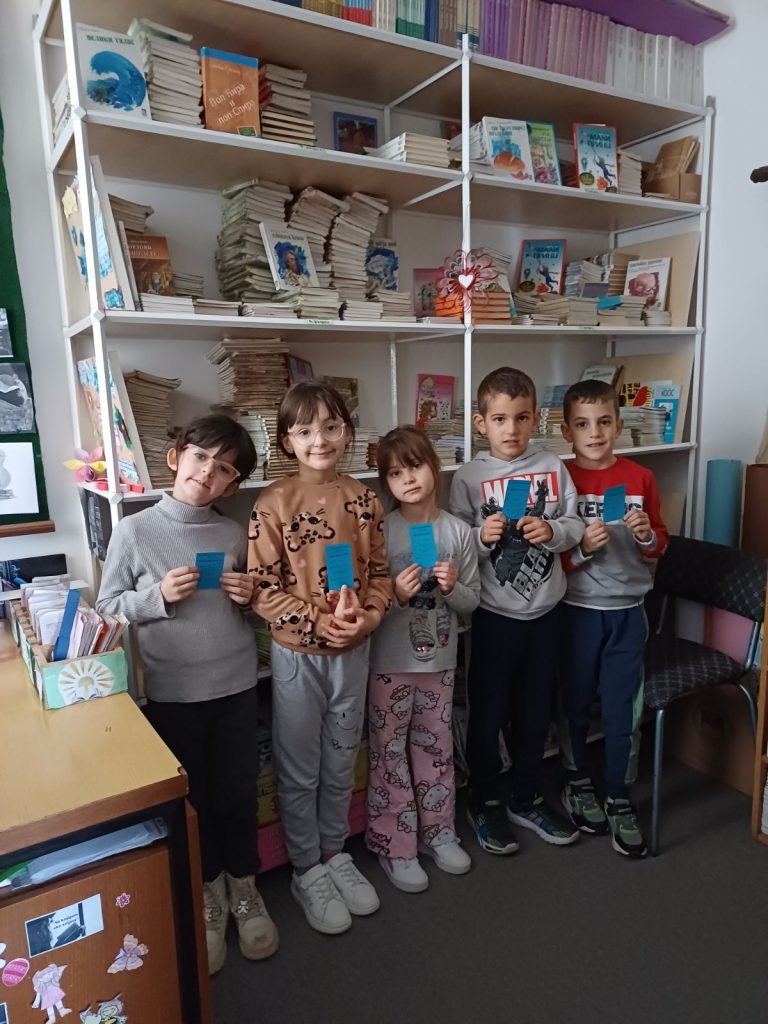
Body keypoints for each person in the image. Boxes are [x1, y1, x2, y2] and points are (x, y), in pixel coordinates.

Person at [96, 414, 277, 975]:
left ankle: (245, 889)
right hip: (174, 695)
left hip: (236, 686)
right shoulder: (133, 531)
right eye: (201, 458)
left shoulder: (231, 532)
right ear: (177, 457)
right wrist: (155, 596)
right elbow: (106, 609)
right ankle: (207, 895)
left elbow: (249, 608)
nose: (207, 474)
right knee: (193, 801)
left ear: (232, 485)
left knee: (237, 793)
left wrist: (248, 595)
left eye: (224, 470)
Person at [248, 380, 392, 935]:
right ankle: (306, 867)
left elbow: (380, 575)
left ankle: (334, 852)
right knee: (299, 766)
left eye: (331, 427)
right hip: (297, 659)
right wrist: (315, 620)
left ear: (347, 432)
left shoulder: (364, 499)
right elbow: (262, 590)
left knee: (340, 758)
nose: (320, 440)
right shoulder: (272, 504)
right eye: (305, 430)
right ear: (287, 440)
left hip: (354, 654)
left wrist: (370, 617)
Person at [448, 366, 585, 855]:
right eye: (500, 419)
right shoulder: (467, 477)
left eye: (522, 418)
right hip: (493, 618)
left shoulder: (553, 466)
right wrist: (479, 538)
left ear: (535, 419)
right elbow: (454, 545)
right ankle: (484, 800)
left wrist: (555, 532)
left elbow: (574, 522)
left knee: (534, 711)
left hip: (546, 614)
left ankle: (526, 797)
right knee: (487, 713)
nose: (512, 429)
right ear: (481, 422)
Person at [366, 426, 479, 892]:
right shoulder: (380, 532)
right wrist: (394, 593)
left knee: (436, 748)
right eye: (395, 474)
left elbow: (472, 602)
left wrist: (452, 589)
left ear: (434, 466)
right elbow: (368, 600)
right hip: (388, 665)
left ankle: (439, 831)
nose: (408, 479)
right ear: (386, 483)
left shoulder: (458, 532)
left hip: (440, 664)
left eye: (415, 467)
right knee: (388, 753)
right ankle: (395, 842)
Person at [558, 379, 668, 858]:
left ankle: (619, 795)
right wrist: (582, 548)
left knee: (624, 709)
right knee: (575, 702)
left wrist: (645, 536)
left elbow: (658, 544)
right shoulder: (561, 478)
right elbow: (550, 554)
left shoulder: (640, 477)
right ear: (567, 432)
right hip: (577, 613)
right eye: (583, 425)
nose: (595, 433)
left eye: (604, 422)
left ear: (619, 426)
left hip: (627, 613)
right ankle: (577, 781)